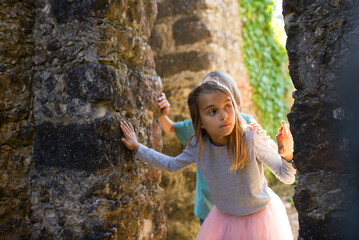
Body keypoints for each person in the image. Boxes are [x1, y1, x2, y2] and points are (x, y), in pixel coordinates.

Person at [120, 80, 295, 239]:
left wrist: (286, 154)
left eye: (228, 106)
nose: (224, 115)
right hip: (225, 221)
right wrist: (137, 147)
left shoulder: (250, 138)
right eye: (213, 111)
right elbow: (171, 164)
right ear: (200, 122)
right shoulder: (198, 146)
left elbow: (287, 177)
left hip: (260, 220)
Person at [157, 71, 276, 225]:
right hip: (208, 208)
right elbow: (171, 128)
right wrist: (162, 113)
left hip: (241, 210)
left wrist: (278, 147)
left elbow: (268, 148)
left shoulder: (245, 122)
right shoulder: (199, 125)